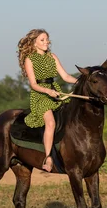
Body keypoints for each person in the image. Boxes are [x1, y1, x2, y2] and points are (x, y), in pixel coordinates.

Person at [17, 28, 78, 172]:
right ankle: (48, 158)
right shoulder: (29, 59)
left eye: (47, 39)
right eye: (42, 40)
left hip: (55, 91)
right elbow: (33, 84)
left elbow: (66, 77)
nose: (46, 42)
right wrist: (47, 91)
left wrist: (81, 83)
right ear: (34, 43)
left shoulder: (52, 56)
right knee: (50, 123)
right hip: (40, 95)